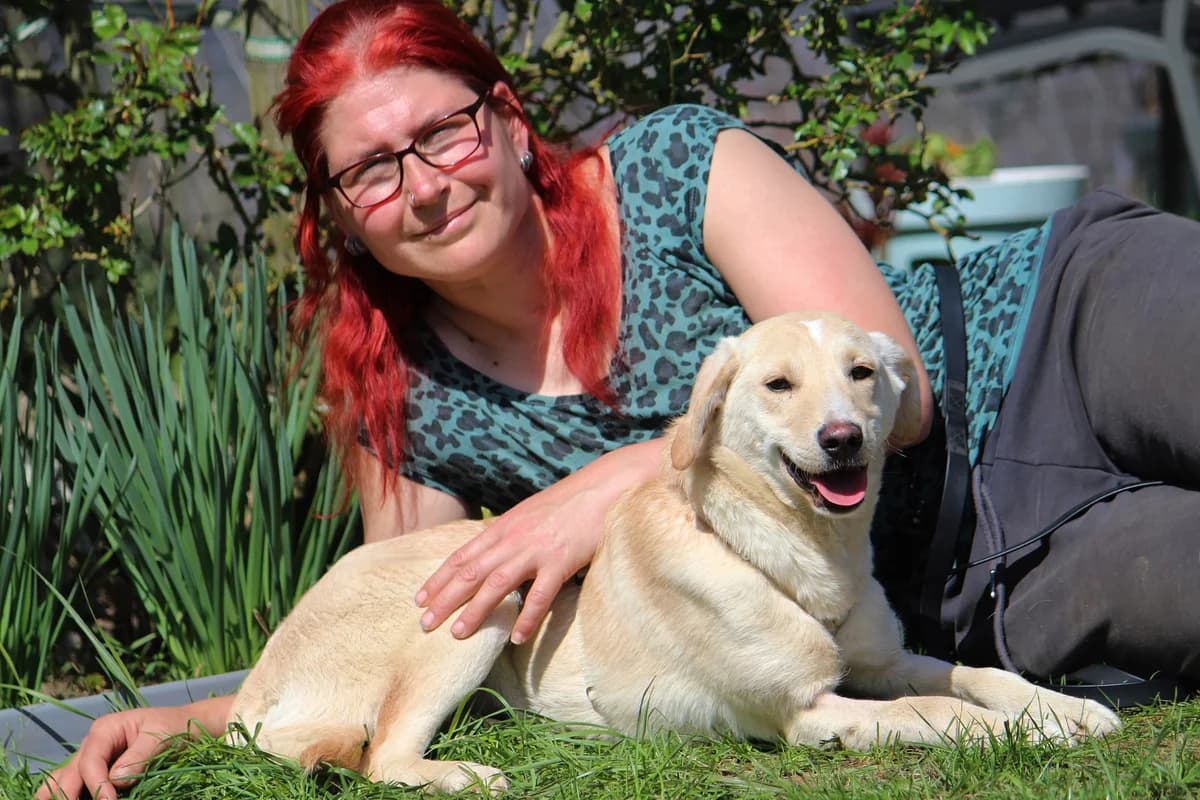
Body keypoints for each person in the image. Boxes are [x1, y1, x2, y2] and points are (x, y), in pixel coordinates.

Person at [37, 0, 1200, 797]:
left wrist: (605, 483)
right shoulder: (407, 398)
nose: (425, 186)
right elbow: (416, 618)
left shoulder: (671, 168)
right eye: (373, 170)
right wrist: (199, 719)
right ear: (340, 212)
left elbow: (903, 394)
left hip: (1053, 330)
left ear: (505, 118)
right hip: (978, 579)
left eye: (442, 132)